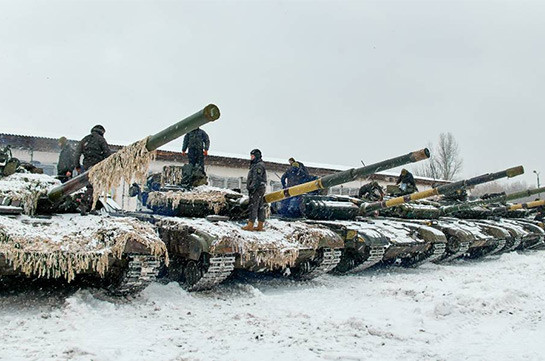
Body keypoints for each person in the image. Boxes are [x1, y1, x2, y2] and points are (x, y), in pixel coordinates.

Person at [74, 125, 111, 213]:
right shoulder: (101, 140)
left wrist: (77, 166)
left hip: (86, 165)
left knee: (90, 186)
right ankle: (85, 206)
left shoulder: (85, 139)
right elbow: (107, 154)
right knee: (94, 187)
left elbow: (77, 153)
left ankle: (90, 207)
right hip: (97, 166)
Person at [242, 149, 267, 231]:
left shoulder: (258, 165)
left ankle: (250, 224)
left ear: (256, 156)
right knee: (260, 206)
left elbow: (257, 178)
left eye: (253, 156)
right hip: (260, 188)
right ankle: (260, 225)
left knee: (253, 206)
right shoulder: (258, 164)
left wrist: (252, 187)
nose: (251, 158)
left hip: (257, 188)